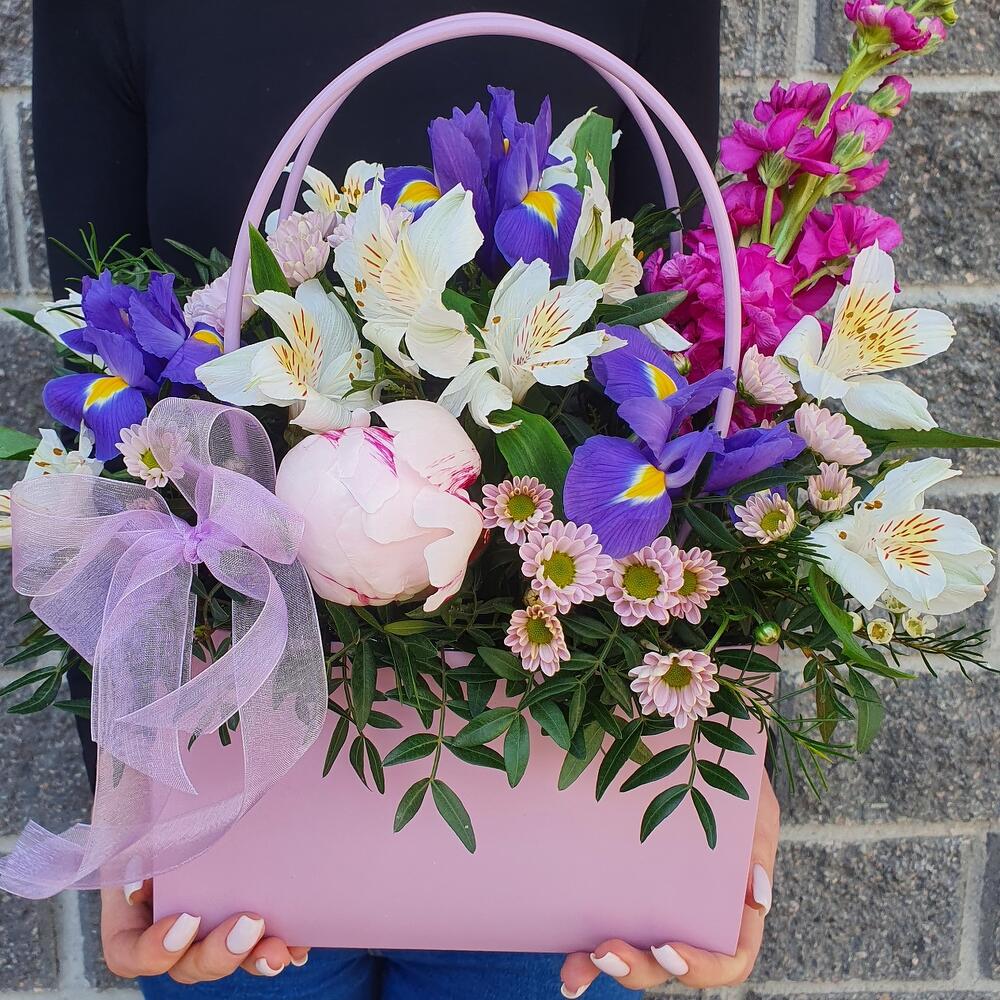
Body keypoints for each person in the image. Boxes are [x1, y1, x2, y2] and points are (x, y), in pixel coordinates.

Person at [30, 1, 780, 996]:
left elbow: (692, 330)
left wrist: (738, 761)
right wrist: (128, 784)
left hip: (562, 762)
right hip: (232, 773)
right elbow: (105, 395)